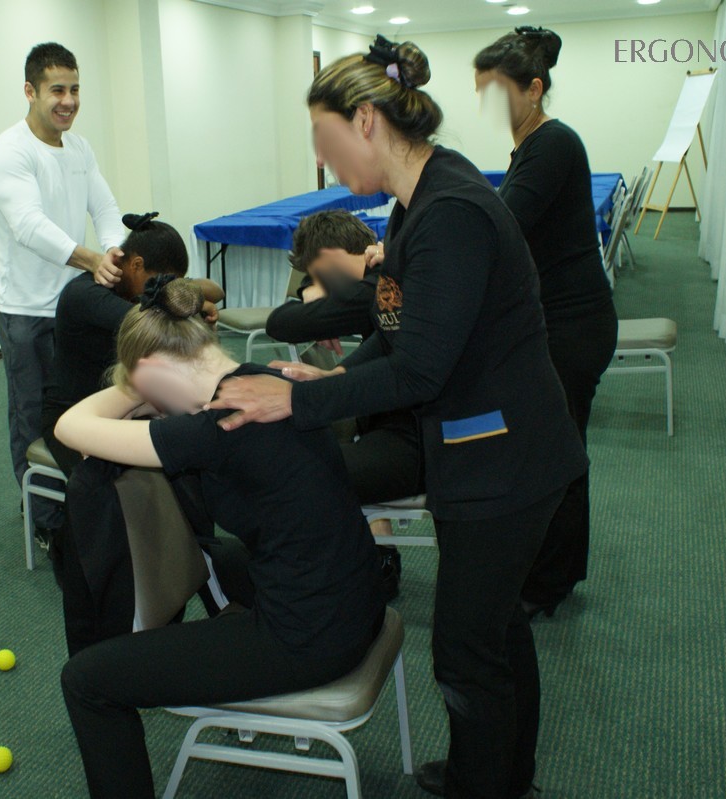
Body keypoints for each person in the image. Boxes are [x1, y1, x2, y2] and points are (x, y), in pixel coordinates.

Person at [208, 35, 587, 799]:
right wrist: (333, 375)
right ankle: (501, 773)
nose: (322, 158)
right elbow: (400, 332)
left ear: (367, 121)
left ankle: (488, 783)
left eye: (325, 140)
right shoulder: (421, 204)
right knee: (496, 630)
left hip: (506, 461)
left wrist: (298, 399)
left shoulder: (449, 214)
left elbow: (420, 370)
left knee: (467, 649)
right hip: (486, 451)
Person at [55, 276, 385, 799]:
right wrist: (155, 382)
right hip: (359, 602)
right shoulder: (266, 384)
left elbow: (70, 427)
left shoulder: (211, 429)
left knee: (86, 681)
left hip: (311, 638)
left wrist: (135, 384)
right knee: (222, 557)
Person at [474, 27, 619, 617]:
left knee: (558, 454)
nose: (487, 103)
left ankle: (549, 583)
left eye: (497, 91)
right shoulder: (532, 145)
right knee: (552, 450)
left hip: (573, 325)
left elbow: (504, 225)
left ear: (533, 90)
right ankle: (548, 574)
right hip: (557, 322)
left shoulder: (552, 144)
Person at [0, 41, 126, 539]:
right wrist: (91, 260)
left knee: (77, 403)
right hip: (22, 306)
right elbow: (28, 225)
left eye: (75, 89)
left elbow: (105, 209)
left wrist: (114, 251)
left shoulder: (79, 149)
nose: (68, 101)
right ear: (30, 91)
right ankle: (44, 521)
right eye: (57, 90)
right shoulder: (9, 151)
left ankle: (82, 500)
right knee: (31, 412)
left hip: (71, 303)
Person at [266, 209, 425, 598]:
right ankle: (372, 554)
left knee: (295, 471)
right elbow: (383, 344)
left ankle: (357, 566)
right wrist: (313, 287)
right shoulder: (379, 278)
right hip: (393, 425)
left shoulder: (378, 287)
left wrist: (315, 298)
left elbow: (281, 323)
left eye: (319, 274)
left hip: (417, 439)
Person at [40, 212, 223, 479]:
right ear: (136, 265)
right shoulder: (85, 295)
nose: (164, 289)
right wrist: (193, 301)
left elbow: (216, 291)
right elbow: (152, 323)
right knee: (118, 487)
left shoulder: (139, 288)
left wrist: (190, 293)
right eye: (163, 281)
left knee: (186, 463)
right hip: (73, 413)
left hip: (128, 404)